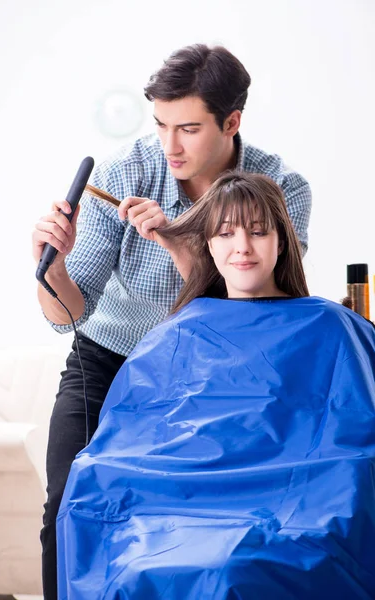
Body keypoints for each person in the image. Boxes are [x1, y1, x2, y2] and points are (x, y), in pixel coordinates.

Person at [32, 44, 312, 599]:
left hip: (218, 370)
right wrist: (54, 264)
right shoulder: (127, 169)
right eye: (160, 125)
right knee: (68, 501)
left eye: (187, 128)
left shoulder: (278, 187)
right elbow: (69, 313)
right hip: (112, 363)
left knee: (208, 518)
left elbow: (262, 303)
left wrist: (177, 240)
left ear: (231, 122)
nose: (170, 146)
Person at [56, 172, 375, 600]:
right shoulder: (178, 333)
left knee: (237, 567)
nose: (241, 246)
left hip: (294, 504)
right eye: (225, 234)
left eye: (258, 232)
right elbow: (136, 438)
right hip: (178, 504)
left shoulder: (331, 326)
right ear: (207, 243)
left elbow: (351, 439)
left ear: (283, 242)